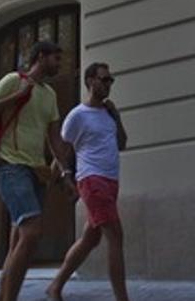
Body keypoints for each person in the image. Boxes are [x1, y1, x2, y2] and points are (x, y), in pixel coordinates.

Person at [0, 40, 72, 301]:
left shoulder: (49, 95)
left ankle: (2, 296)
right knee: (32, 231)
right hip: (10, 165)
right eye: (56, 58)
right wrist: (16, 96)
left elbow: (55, 140)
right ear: (40, 56)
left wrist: (65, 173)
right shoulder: (13, 80)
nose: (59, 64)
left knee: (19, 240)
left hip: (37, 172)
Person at [46, 62, 129, 301]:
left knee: (89, 240)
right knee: (116, 236)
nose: (108, 84)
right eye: (104, 80)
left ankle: (55, 286)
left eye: (110, 80)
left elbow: (122, 144)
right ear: (90, 81)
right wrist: (61, 177)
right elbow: (61, 149)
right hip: (92, 180)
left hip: (111, 181)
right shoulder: (77, 115)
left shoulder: (108, 114)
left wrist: (117, 116)